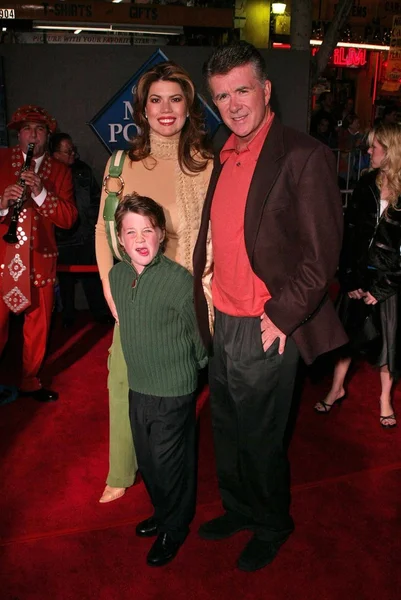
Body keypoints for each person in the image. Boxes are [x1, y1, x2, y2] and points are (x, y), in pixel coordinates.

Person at [193, 42, 347, 572]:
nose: (233, 104)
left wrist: (282, 316)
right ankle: (239, 510)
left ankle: (271, 523)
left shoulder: (303, 155)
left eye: (241, 90)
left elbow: (322, 254)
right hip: (223, 319)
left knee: (261, 439)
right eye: (221, 96)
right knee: (228, 429)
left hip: (267, 323)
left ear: (265, 89)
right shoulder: (222, 151)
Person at [95, 61, 213, 504]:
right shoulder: (121, 163)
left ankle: (173, 486)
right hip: (135, 293)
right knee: (122, 379)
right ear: (142, 110)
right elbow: (102, 230)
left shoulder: (207, 164)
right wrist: (111, 286)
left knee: (178, 394)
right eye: (156, 100)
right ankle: (121, 471)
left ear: (189, 107)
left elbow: (215, 235)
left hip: (187, 296)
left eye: (176, 98)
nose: (166, 109)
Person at [109, 193, 207, 566]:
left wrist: (196, 369)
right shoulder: (117, 276)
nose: (139, 239)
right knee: (148, 462)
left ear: (161, 235)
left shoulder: (179, 281)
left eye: (147, 230)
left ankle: (175, 526)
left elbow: (198, 332)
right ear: (120, 238)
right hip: (139, 387)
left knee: (171, 463)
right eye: (130, 231)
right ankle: (162, 511)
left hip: (174, 389)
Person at [314, 122, 401, 428]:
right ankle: (336, 388)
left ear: (389, 151)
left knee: (390, 344)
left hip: (390, 282)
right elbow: (347, 236)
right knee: (345, 339)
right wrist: (350, 279)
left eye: (373, 146)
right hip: (359, 276)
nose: (368, 151)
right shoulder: (365, 185)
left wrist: (384, 287)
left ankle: (384, 399)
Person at [0, 105, 77, 402]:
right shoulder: (2, 160)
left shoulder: (59, 171)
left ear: (48, 136)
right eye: (28, 129)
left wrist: (43, 192)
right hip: (3, 260)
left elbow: (69, 219)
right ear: (19, 135)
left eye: (40, 130)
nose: (33, 135)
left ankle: (31, 380)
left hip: (40, 259)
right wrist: (3, 202)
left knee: (38, 325)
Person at [49, 132, 110, 327]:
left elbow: (96, 196)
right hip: (62, 238)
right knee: (65, 281)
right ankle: (67, 316)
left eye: (73, 149)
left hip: (86, 234)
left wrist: (94, 218)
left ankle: (100, 314)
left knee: (92, 279)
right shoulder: (48, 173)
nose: (72, 154)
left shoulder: (83, 169)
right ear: (55, 153)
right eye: (67, 151)